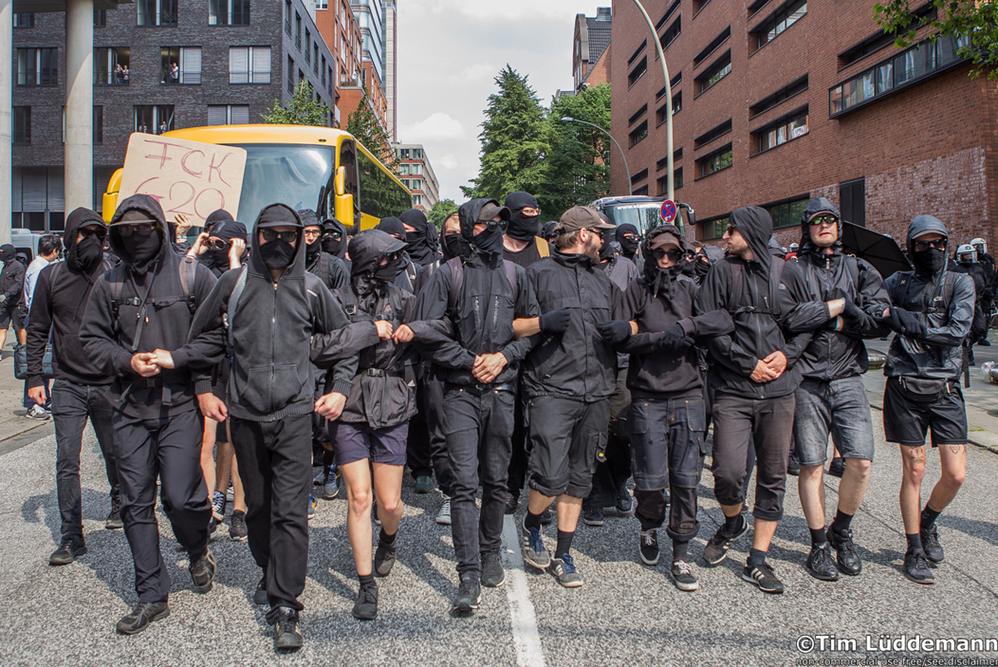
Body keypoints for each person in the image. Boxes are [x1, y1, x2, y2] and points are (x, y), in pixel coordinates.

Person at [186, 204, 353, 649]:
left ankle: (286, 606)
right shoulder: (233, 283)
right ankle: (268, 568)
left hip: (297, 416)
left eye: (289, 235)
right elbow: (200, 337)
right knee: (258, 508)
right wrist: (204, 387)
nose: (279, 243)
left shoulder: (314, 288)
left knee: (292, 513)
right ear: (257, 236)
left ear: (300, 239)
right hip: (245, 415)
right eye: (269, 234)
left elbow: (345, 343)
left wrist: (340, 388)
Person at [80, 195, 221, 635]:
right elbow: (90, 339)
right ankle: (150, 593)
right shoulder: (110, 283)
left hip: (179, 404)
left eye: (145, 229)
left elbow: (218, 337)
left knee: (180, 497)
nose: (136, 237)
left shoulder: (194, 275)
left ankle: (196, 547)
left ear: (161, 229)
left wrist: (175, 357)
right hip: (127, 406)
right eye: (127, 231)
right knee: (135, 502)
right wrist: (127, 361)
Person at [394, 198, 539, 612]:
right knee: (462, 483)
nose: (495, 228)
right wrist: (469, 361)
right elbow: (429, 334)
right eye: (487, 222)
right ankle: (468, 571)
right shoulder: (446, 275)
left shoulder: (517, 275)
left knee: (496, 480)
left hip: (502, 392)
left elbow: (532, 329)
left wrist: (504, 358)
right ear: (472, 226)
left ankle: (490, 551)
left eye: (500, 222)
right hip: (458, 391)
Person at [609, 225, 733, 590]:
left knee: (686, 477)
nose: (665, 260)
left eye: (673, 254)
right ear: (649, 253)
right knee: (648, 479)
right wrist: (660, 339)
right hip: (647, 395)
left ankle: (681, 550)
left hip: (689, 394)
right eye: (659, 253)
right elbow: (620, 336)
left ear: (681, 257)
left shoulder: (693, 288)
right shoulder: (635, 290)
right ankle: (648, 527)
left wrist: (688, 325)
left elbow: (723, 319)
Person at [694, 206, 807, 595]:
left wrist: (789, 353)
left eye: (731, 230)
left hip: (779, 391)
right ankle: (731, 522)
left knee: (773, 475)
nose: (724, 236)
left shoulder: (788, 272)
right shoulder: (721, 272)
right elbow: (709, 329)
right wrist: (747, 364)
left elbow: (807, 324)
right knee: (726, 472)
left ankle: (757, 560)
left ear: (752, 231)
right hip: (733, 389)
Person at [781, 197, 891, 582]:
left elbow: (881, 322)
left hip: (847, 377)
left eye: (830, 220)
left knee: (860, 462)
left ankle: (841, 531)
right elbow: (790, 318)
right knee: (811, 465)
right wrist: (838, 306)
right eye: (816, 221)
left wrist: (846, 321)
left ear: (839, 226)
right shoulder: (793, 270)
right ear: (807, 229)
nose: (824, 226)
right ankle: (818, 544)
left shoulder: (860, 268)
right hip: (807, 380)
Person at [511, 206, 617, 588]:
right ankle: (533, 522)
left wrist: (627, 331)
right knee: (549, 477)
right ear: (584, 234)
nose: (605, 240)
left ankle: (563, 554)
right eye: (600, 233)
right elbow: (512, 326)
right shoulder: (536, 274)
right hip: (551, 389)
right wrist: (541, 323)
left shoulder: (604, 280)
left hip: (597, 391)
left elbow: (629, 324)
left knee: (579, 478)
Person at [314, 229, 416, 621]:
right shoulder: (335, 299)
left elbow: (434, 334)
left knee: (389, 503)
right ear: (371, 261)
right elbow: (320, 348)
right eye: (389, 258)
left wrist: (416, 331)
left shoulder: (405, 299)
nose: (396, 264)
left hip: (392, 402)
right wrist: (366, 331)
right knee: (360, 498)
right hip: (349, 404)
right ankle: (366, 584)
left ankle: (388, 539)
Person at [879, 215, 973, 585]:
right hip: (905, 382)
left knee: (956, 474)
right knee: (914, 470)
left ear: (947, 245)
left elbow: (958, 331)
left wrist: (919, 327)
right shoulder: (897, 282)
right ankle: (913, 546)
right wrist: (891, 314)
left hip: (946, 385)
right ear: (911, 246)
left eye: (937, 243)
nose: (930, 250)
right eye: (922, 244)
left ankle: (929, 519)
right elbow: (872, 307)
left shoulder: (959, 281)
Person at [28, 210, 121, 566]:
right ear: (70, 236)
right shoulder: (52, 277)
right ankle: (71, 534)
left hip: (107, 382)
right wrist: (35, 377)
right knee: (67, 459)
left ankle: (119, 500)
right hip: (66, 382)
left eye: (99, 233)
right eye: (85, 234)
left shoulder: (111, 276)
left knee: (115, 453)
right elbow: (37, 329)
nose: (92, 240)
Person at [583, 218, 640, 527]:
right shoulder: (570, 268)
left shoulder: (628, 269)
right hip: (582, 365)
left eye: (603, 234)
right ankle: (594, 494)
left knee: (620, 433)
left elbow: (638, 312)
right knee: (590, 434)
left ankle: (619, 482)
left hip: (618, 364)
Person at [500, 192, 549, 515]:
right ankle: (509, 486)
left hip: (539, 345)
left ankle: (539, 492)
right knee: (510, 424)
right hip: (503, 344)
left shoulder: (544, 247)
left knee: (540, 424)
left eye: (536, 212)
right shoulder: (495, 246)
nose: (532, 218)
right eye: (526, 212)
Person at [22, 234, 60, 420]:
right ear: (54, 251)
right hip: (39, 317)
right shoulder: (42, 270)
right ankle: (33, 404)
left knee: (43, 359)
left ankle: (43, 398)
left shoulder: (37, 266)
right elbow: (40, 301)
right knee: (37, 358)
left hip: (38, 316)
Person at [502, 191, 549, 268]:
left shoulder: (547, 250)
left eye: (537, 211)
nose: (535, 215)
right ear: (511, 214)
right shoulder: (492, 249)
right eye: (529, 211)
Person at [0, 244, 26, 354]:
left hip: (17, 303)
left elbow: (18, 284)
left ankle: (24, 349)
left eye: (2, 252)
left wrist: (6, 294)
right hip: (4, 304)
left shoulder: (18, 266)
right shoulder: (5, 267)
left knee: (19, 327)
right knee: (2, 327)